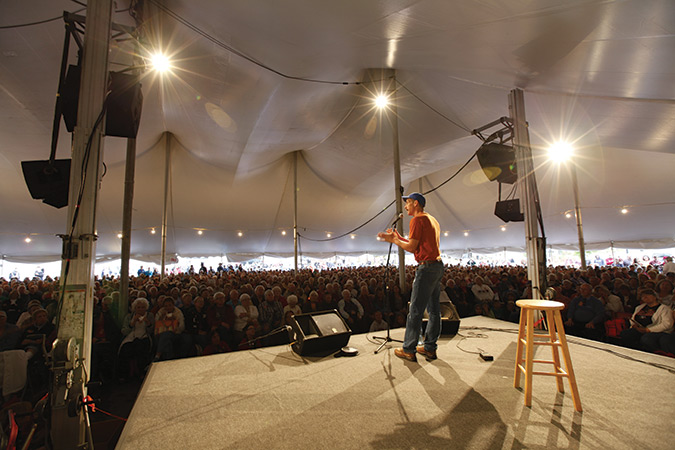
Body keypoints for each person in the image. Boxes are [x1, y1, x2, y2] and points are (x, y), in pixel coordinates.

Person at [378, 192, 443, 362]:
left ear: (415, 203)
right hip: (437, 266)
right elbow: (419, 242)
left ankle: (409, 348)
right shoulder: (431, 219)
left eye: (407, 203)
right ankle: (429, 348)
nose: (405, 206)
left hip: (426, 268)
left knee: (415, 310)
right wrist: (398, 237)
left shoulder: (417, 219)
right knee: (434, 310)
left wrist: (394, 241)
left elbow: (413, 247)